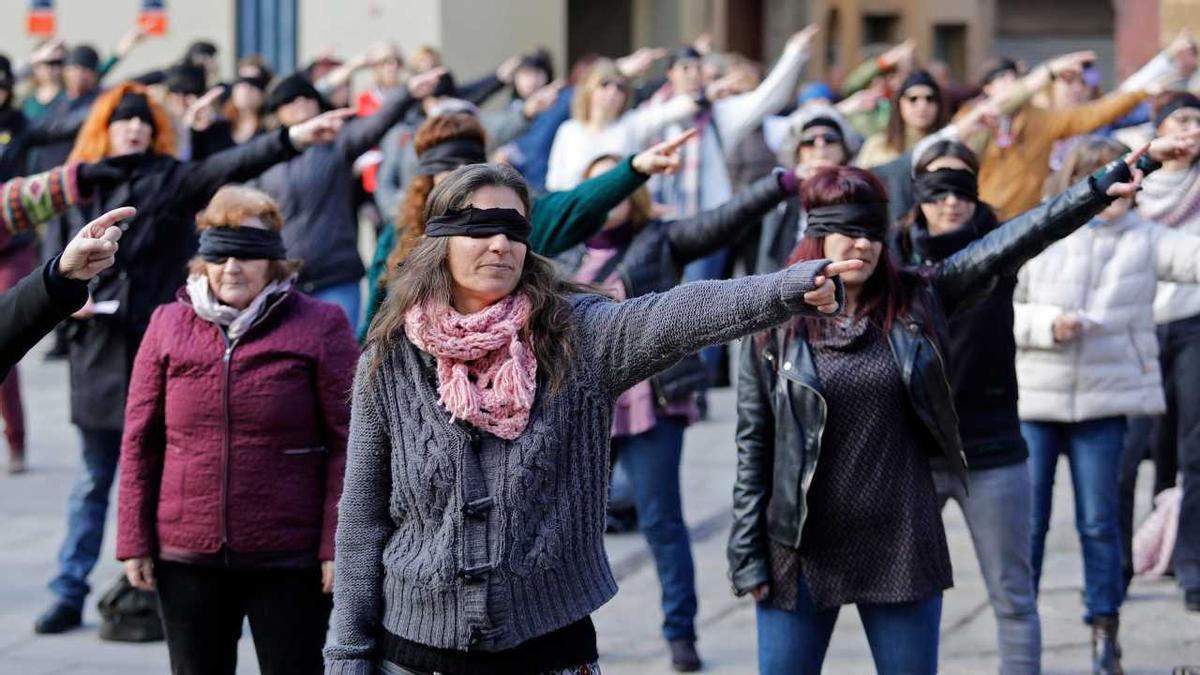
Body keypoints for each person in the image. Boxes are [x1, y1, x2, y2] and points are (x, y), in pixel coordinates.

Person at [325, 162, 856, 674]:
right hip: (414, 653)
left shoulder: (578, 337)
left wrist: (787, 288)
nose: (500, 244)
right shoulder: (391, 358)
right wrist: (347, 655)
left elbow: (679, 313)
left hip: (549, 649)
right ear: (439, 240)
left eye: (514, 229)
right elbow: (362, 518)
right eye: (479, 227)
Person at [729, 154, 1147, 674]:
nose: (862, 243)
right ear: (815, 237)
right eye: (845, 231)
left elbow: (1014, 240)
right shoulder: (775, 326)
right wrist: (746, 551)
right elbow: (754, 447)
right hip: (804, 545)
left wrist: (1096, 188)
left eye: (871, 231)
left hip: (902, 538)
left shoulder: (920, 298)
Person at [32, 81, 349, 635]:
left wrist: (292, 137)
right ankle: (69, 588)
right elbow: (49, 248)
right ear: (104, 128)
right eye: (123, 121)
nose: (133, 129)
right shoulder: (79, 183)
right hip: (100, 354)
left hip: (172, 343)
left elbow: (234, 161)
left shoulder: (170, 178)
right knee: (95, 477)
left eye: (143, 122)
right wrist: (61, 298)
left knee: (178, 461)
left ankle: (148, 581)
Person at [559, 153, 800, 671]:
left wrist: (778, 183)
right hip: (583, 402)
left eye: (623, 189)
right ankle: (564, 633)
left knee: (661, 521)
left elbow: (723, 221)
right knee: (566, 522)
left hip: (652, 402)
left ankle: (680, 632)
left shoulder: (660, 239)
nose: (614, 199)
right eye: (602, 186)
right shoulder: (563, 254)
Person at [116, 186, 357, 675]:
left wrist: (338, 545)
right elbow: (140, 439)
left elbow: (350, 443)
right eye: (220, 254)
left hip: (289, 554)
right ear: (202, 260)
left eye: (248, 255)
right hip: (186, 551)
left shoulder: (321, 325)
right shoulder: (167, 323)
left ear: (274, 261)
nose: (232, 268)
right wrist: (133, 539)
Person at [1014, 134, 1200, 673]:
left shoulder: (1149, 237)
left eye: (1125, 171)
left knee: (1099, 521)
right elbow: (1001, 307)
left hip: (1107, 400)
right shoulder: (1043, 231)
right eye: (1101, 173)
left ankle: (1104, 630)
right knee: (1029, 522)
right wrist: (1047, 325)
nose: (1116, 183)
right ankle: (1019, 627)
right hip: (1038, 400)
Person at [890, 140, 1041, 673]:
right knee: (907, 598)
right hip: (915, 452)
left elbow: (1053, 220)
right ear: (916, 192)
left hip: (993, 446)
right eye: (936, 187)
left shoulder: (1001, 245)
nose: (950, 201)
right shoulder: (892, 253)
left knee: (1012, 594)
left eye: (961, 187)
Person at [362, 117, 698, 339]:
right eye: (448, 169)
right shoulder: (400, 232)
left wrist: (633, 169)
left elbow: (573, 204)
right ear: (429, 175)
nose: (498, 243)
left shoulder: (513, 220)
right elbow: (376, 314)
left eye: (469, 167)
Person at [251, 67, 443, 326]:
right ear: (277, 110)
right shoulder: (265, 153)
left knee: (342, 362)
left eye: (306, 97)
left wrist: (407, 92)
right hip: (285, 279)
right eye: (290, 100)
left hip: (337, 275)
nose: (299, 104)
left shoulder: (337, 142)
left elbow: (376, 122)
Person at [1124, 93, 1200, 613]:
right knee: (1133, 451)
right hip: (1139, 327)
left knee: (1195, 449)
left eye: (1198, 120)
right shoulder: (1132, 185)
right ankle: (1119, 566)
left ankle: (1191, 563)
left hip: (1195, 324)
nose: (1191, 129)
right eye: (1180, 119)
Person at [545, 58, 698, 191]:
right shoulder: (569, 131)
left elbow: (675, 109)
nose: (612, 92)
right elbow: (554, 185)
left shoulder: (631, 124)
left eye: (620, 87)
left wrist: (707, 95)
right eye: (605, 84)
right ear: (589, 88)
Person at [756, 104, 862, 274]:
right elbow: (767, 260)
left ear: (844, 148)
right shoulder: (781, 198)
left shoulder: (861, 191)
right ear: (797, 152)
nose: (820, 145)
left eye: (829, 138)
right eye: (809, 141)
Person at [856, 69, 948, 168]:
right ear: (900, 103)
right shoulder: (877, 145)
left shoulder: (949, 145)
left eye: (930, 99)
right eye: (913, 99)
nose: (922, 106)